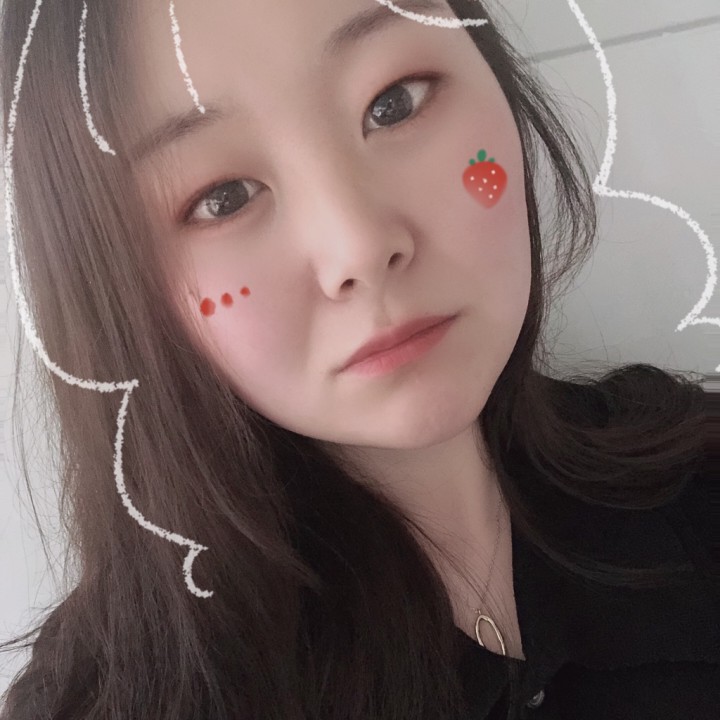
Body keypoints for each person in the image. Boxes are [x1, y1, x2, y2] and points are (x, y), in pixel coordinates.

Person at [0, 0, 716, 718]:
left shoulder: (695, 473)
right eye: (223, 198)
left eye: (393, 103)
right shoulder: (122, 701)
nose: (361, 248)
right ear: (112, 289)